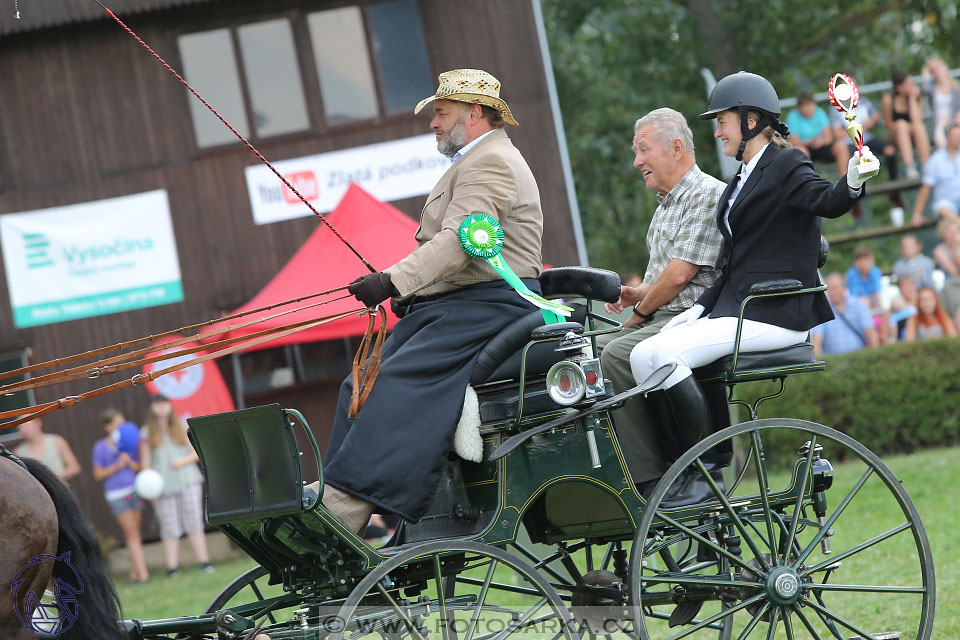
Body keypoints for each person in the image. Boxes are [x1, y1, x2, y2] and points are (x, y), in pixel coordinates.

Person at [627, 71, 877, 506]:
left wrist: (853, 179)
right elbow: (732, 265)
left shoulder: (787, 163)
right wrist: (697, 309)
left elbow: (825, 200)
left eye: (722, 120)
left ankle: (704, 474)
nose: (717, 130)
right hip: (737, 306)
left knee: (665, 354)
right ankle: (682, 469)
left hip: (775, 311)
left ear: (749, 121)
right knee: (641, 354)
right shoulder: (742, 177)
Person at [322, 69, 543, 531]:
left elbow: (460, 243)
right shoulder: (472, 161)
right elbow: (455, 250)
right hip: (460, 305)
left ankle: (348, 511)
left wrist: (391, 282)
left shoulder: (491, 162)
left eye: (440, 114)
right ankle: (336, 493)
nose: (433, 124)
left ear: (475, 113)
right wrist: (412, 292)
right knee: (359, 384)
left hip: (492, 305)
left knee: (397, 383)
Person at [598, 108, 725, 494]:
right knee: (583, 351)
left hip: (691, 319)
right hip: (664, 315)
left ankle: (650, 478)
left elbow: (681, 276)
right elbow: (661, 279)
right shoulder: (665, 207)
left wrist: (639, 311)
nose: (637, 162)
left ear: (675, 147)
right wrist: (640, 294)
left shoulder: (707, 194)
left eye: (642, 150)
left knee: (615, 357)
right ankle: (608, 463)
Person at [141, 394, 213, 576]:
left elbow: (196, 453)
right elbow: (145, 464)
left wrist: (182, 461)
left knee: (194, 521)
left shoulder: (182, 425)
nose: (161, 407)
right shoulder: (146, 433)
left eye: (164, 403)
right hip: (162, 485)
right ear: (152, 408)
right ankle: (172, 567)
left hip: (187, 479)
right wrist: (150, 488)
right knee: (169, 526)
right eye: (157, 404)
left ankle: (204, 562)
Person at [92, 408, 149, 583]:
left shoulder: (129, 443)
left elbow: (139, 467)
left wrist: (129, 462)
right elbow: (98, 474)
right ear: (108, 427)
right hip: (116, 493)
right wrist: (116, 466)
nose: (122, 427)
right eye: (118, 423)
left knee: (134, 533)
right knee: (130, 531)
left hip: (134, 488)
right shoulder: (100, 447)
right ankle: (143, 573)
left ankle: (135, 573)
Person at [829, 93, 905, 220]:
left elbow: (876, 117)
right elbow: (837, 133)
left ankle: (894, 191)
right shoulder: (835, 108)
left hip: (867, 139)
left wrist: (859, 129)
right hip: (850, 143)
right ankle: (852, 197)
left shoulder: (863, 101)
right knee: (855, 163)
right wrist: (860, 129)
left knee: (890, 151)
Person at [810, 273, 880, 355]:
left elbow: (871, 333)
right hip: (835, 362)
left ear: (844, 288)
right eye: (829, 289)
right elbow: (816, 340)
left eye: (835, 288)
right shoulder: (822, 310)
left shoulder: (858, 305)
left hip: (859, 358)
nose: (832, 293)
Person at [882, 71, 931, 180]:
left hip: (914, 134)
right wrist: (904, 126)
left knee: (918, 126)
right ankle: (910, 167)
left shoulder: (916, 96)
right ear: (899, 87)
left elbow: (917, 118)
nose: (913, 86)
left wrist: (912, 99)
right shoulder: (888, 98)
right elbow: (889, 124)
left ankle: (926, 166)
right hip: (896, 135)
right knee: (901, 125)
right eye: (909, 84)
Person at [911, 122, 960, 226]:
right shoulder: (936, 160)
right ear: (947, 137)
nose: (958, 138)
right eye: (955, 136)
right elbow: (926, 187)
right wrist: (917, 214)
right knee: (943, 208)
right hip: (946, 203)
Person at [787, 92, 843, 174]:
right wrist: (811, 142)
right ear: (799, 108)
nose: (809, 109)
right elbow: (794, 141)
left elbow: (829, 137)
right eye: (806, 106)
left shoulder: (820, 112)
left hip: (822, 147)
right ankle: (809, 182)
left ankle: (846, 181)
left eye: (811, 105)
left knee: (841, 145)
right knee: (800, 150)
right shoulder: (793, 116)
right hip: (806, 148)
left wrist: (821, 141)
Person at [14, 417, 81, 480]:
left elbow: (74, 468)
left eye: (26, 426)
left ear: (38, 424)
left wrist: (52, 479)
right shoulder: (19, 452)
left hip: (59, 490)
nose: (23, 430)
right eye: (20, 427)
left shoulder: (56, 441)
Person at [921, 56, 960, 149]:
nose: (937, 72)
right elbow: (925, 88)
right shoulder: (932, 87)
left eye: (938, 68)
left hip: (954, 119)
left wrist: (956, 122)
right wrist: (925, 70)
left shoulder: (955, 85)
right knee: (942, 140)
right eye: (934, 71)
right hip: (939, 122)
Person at [933, 218, 960, 323]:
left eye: (955, 231)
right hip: (952, 284)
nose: (953, 234)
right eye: (949, 232)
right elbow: (953, 271)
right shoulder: (939, 250)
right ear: (942, 234)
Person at [845, 245, 884, 312]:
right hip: (858, 305)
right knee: (864, 301)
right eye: (867, 261)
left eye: (872, 261)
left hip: (873, 302)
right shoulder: (852, 275)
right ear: (857, 263)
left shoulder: (875, 272)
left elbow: (877, 294)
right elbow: (854, 297)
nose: (871, 264)